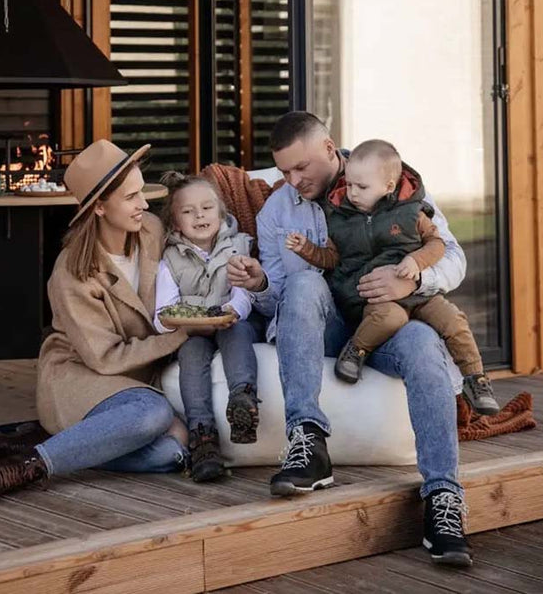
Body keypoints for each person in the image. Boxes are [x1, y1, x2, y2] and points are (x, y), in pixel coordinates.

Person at [227, 112, 475, 567]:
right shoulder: (277, 212)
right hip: (327, 330)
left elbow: (453, 258)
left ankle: (443, 500)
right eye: (283, 171)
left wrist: (413, 280)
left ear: (329, 149)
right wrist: (260, 283)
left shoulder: (391, 182)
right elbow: (280, 302)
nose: (293, 180)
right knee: (302, 285)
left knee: (422, 342)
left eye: (301, 168)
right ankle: (308, 442)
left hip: (388, 323)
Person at [0, 140, 194, 503]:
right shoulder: (72, 273)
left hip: (138, 378)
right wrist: (180, 336)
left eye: (142, 191)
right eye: (131, 197)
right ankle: (26, 465)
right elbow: (104, 358)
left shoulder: (151, 231)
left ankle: (56, 444)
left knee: (173, 451)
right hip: (82, 375)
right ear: (100, 207)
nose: (145, 204)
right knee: (153, 413)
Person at [285, 139, 499, 416]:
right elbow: (332, 258)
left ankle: (476, 379)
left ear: (388, 187)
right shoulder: (340, 218)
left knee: (453, 319)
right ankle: (355, 350)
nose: (352, 193)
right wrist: (307, 250)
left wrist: (415, 264)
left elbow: (437, 244)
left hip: (420, 293)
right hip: (378, 297)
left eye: (361, 187)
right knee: (390, 318)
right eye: (349, 185)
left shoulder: (411, 211)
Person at [155, 172, 262, 482]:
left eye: (206, 208)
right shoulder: (169, 260)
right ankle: (202, 438)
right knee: (191, 354)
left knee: (238, 332)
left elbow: (245, 294)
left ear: (221, 213)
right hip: (193, 331)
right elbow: (163, 311)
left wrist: (232, 312)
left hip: (231, 321)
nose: (199, 215)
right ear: (175, 223)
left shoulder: (238, 247)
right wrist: (180, 325)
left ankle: (243, 399)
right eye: (188, 212)